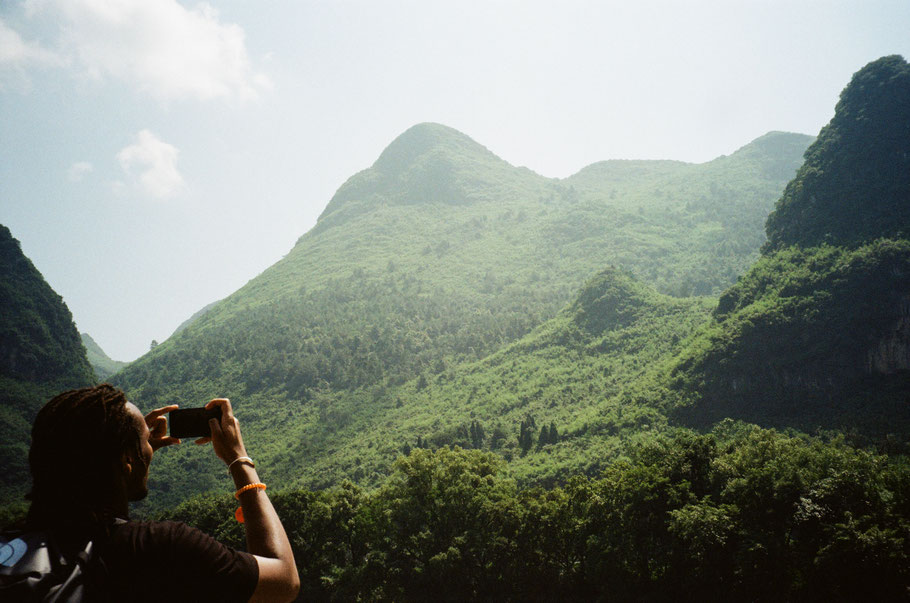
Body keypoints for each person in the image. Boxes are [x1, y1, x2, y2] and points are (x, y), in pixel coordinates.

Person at [23, 384, 299, 602]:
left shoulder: (15, 547)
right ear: (125, 461)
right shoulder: (160, 548)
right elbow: (283, 582)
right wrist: (239, 459)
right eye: (145, 441)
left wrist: (131, 453)